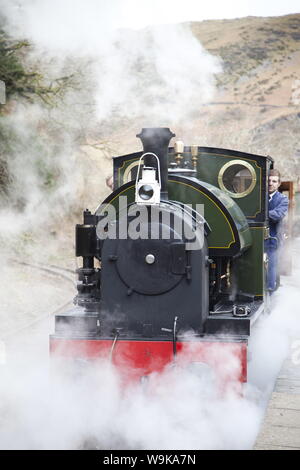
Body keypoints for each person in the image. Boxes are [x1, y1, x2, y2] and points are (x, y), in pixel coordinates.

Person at [265, 169, 289, 292]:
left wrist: (261, 214)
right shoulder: (260, 198)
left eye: (274, 181)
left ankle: (271, 290)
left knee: (273, 267)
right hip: (260, 239)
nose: (270, 183)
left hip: (274, 239)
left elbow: (278, 214)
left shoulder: (283, 200)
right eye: (269, 180)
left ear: (279, 184)